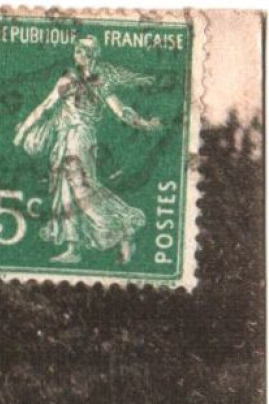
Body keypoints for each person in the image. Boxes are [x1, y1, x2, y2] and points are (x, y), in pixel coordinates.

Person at [12, 35, 162, 265]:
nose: (76, 52)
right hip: (70, 137)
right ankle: (74, 248)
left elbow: (121, 111)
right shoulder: (74, 79)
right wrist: (23, 131)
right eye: (76, 49)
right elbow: (46, 107)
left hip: (78, 138)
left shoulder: (93, 81)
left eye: (81, 49)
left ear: (91, 54)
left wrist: (145, 124)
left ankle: (121, 227)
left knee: (80, 189)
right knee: (67, 188)